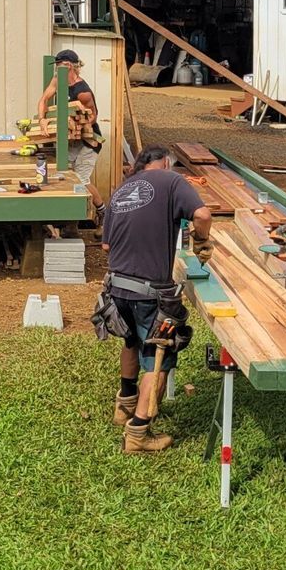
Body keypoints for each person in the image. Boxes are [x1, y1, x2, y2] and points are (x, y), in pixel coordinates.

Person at [94, 146, 212, 453]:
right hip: (152, 296)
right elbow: (202, 215)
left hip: (115, 289)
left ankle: (124, 406)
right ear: (164, 164)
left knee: (131, 342)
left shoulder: (121, 191)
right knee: (158, 360)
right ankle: (138, 433)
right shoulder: (171, 180)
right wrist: (201, 240)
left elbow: (106, 246)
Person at [36, 49, 101, 199]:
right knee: (63, 174)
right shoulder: (57, 80)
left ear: (68, 66)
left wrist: (76, 124)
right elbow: (44, 100)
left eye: (58, 65)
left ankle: (100, 210)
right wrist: (42, 120)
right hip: (71, 138)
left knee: (81, 180)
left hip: (88, 141)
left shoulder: (82, 92)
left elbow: (92, 117)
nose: (56, 69)